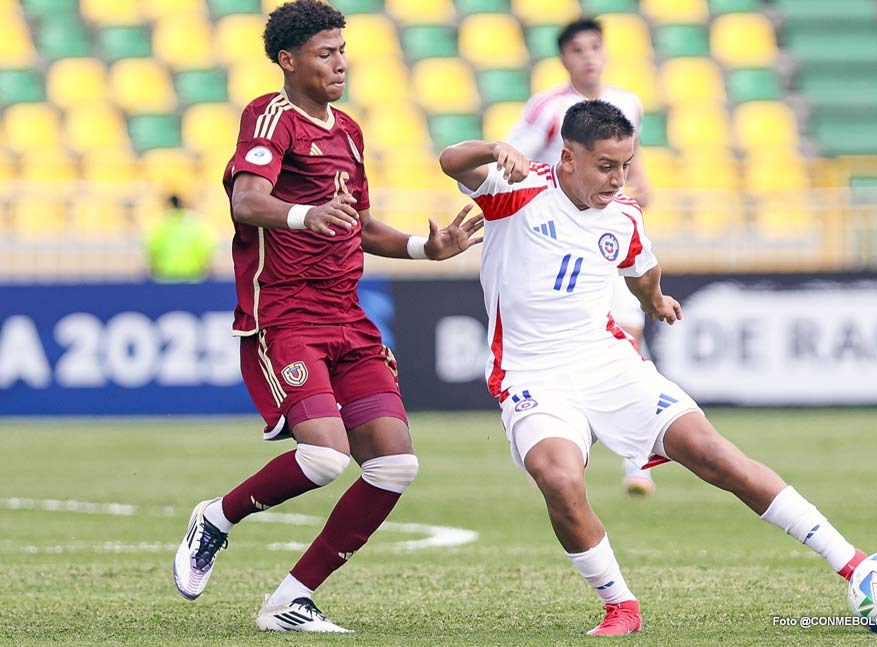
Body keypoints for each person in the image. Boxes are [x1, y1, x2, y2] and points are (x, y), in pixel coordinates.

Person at [439, 100, 866, 636]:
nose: (619, 179)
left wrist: (655, 302)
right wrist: (492, 148)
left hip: (608, 363)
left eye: (626, 165)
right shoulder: (517, 189)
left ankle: (856, 566)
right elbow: (450, 160)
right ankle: (621, 606)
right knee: (560, 480)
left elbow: (642, 271)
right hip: (532, 376)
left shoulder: (625, 216)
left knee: (715, 455)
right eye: (606, 166)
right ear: (568, 158)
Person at [171, 1, 482, 633]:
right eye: (325, 53)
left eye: (343, 51)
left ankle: (290, 600)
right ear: (289, 60)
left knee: (394, 465)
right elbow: (247, 199)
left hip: (347, 316)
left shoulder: (348, 131)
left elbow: (358, 223)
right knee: (323, 457)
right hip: (286, 316)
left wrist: (424, 248)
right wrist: (304, 214)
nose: (340, 64)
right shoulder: (270, 117)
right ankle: (216, 518)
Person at [506, 18, 657, 496]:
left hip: (606, 239)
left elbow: (631, 155)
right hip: (557, 248)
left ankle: (638, 461)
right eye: (577, 49)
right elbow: (511, 158)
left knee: (628, 334)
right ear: (563, 58)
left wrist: (641, 183)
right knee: (588, 343)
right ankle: (563, 442)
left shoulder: (627, 102)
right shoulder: (548, 107)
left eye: (595, 47)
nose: (588, 56)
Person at [144, 194, 218, 282]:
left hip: (165, 280)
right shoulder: (197, 225)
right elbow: (208, 252)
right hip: (194, 279)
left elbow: (151, 251)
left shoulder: (159, 225)